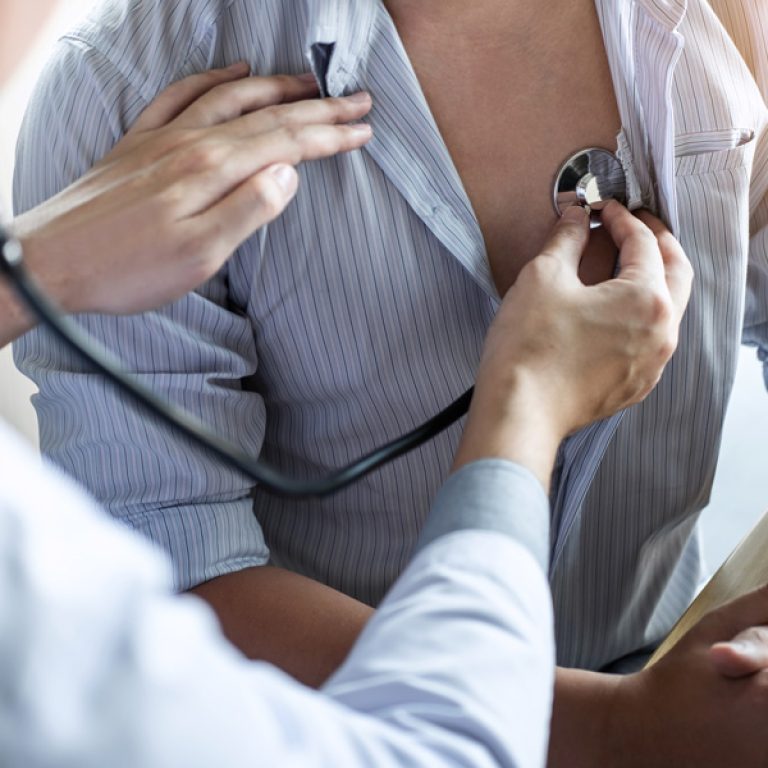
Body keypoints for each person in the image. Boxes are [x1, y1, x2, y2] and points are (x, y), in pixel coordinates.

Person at [10, 0, 768, 765]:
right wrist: (619, 728)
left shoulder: (726, 18)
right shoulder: (122, 91)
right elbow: (181, 575)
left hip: (677, 676)